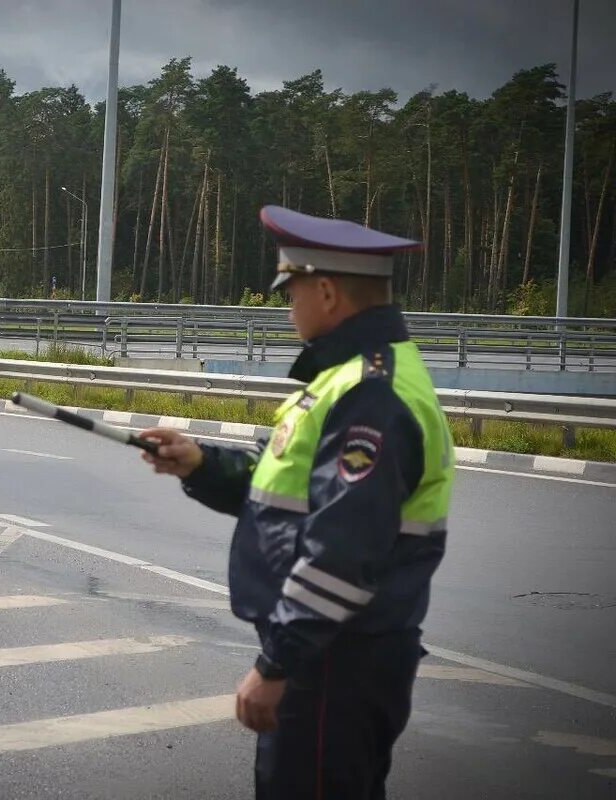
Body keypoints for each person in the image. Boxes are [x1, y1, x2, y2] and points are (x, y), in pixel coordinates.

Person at [141, 205, 455, 799]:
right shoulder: (349, 379)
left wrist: (278, 665)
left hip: (334, 661)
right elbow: (291, 492)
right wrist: (202, 464)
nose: (286, 308)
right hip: (336, 653)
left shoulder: (371, 394)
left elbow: (342, 551)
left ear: (329, 291)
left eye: (292, 292)